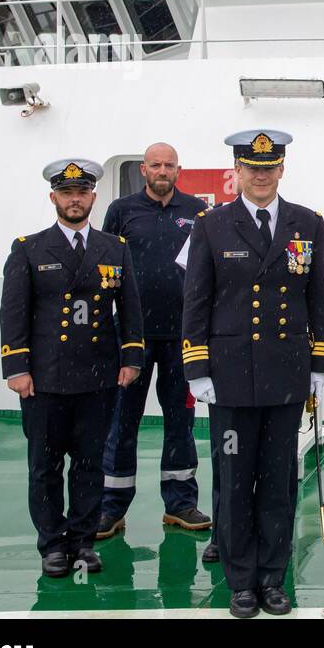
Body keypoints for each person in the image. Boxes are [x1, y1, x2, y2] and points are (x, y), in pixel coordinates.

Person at [182, 130, 324, 618]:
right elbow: (197, 301)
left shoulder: (307, 223)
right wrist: (196, 367)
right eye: (252, 167)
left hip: (286, 375)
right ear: (238, 172)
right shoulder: (212, 225)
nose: (262, 174)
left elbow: (316, 298)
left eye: (270, 167)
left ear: (281, 169)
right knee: (234, 477)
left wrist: (320, 362)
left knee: (278, 483)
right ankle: (240, 580)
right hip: (228, 378)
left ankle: (273, 577)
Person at [0, 159, 144, 577]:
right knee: (45, 466)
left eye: (81, 193)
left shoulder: (114, 248)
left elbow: (130, 309)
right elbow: (13, 313)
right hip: (43, 379)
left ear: (93, 198)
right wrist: (16, 367)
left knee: (88, 464)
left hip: (98, 376)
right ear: (53, 198)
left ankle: (82, 542)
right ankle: (52, 544)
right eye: (66, 193)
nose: (74, 199)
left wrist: (131, 356)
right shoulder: (28, 248)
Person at [97, 142, 210, 540]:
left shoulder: (197, 211)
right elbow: (105, 268)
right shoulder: (121, 212)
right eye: (156, 165)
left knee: (181, 421)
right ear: (143, 170)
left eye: (170, 165)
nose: (163, 171)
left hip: (182, 338)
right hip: (131, 339)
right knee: (121, 421)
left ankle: (180, 504)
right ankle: (110, 507)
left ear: (179, 170)